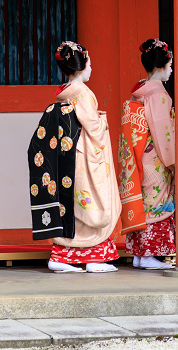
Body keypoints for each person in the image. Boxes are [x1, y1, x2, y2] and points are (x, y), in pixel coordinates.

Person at [45, 41, 121, 273]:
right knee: (93, 205)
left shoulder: (64, 93)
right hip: (84, 156)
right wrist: (102, 120)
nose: (91, 67)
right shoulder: (84, 94)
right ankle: (94, 259)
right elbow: (94, 129)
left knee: (73, 203)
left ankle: (62, 256)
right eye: (89, 63)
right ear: (80, 67)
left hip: (66, 155)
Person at [120, 39, 176, 271]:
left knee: (146, 203)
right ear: (161, 66)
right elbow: (163, 133)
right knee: (157, 203)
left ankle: (140, 255)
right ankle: (150, 254)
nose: (171, 70)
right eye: (170, 66)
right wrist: (173, 162)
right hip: (156, 158)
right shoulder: (158, 95)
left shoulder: (140, 92)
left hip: (141, 155)